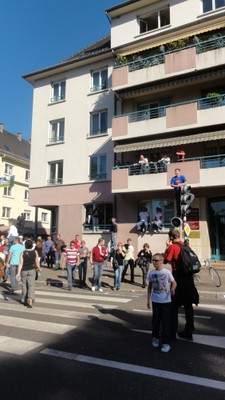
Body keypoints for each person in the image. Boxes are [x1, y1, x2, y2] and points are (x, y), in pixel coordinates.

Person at [164, 228, 199, 341]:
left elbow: (166, 260)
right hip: (189, 279)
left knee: (173, 306)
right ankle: (189, 332)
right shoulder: (186, 245)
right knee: (188, 306)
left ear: (171, 237)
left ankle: (172, 332)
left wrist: (167, 247)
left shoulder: (173, 246)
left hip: (178, 279)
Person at [147, 253, 177, 353]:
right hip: (155, 301)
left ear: (162, 261)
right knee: (155, 321)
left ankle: (166, 343)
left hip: (166, 301)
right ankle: (155, 338)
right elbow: (150, 287)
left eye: (156, 260)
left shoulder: (167, 272)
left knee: (166, 322)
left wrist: (173, 289)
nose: (154, 262)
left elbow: (174, 282)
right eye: (153, 260)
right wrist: (148, 299)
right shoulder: (151, 273)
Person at [16, 239, 41, 308]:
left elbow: (20, 264)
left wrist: (18, 273)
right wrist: (39, 268)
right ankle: (30, 299)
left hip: (24, 271)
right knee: (31, 285)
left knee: (24, 285)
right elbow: (37, 262)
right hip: (32, 270)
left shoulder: (22, 253)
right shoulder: (35, 252)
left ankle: (24, 299)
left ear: (25, 246)